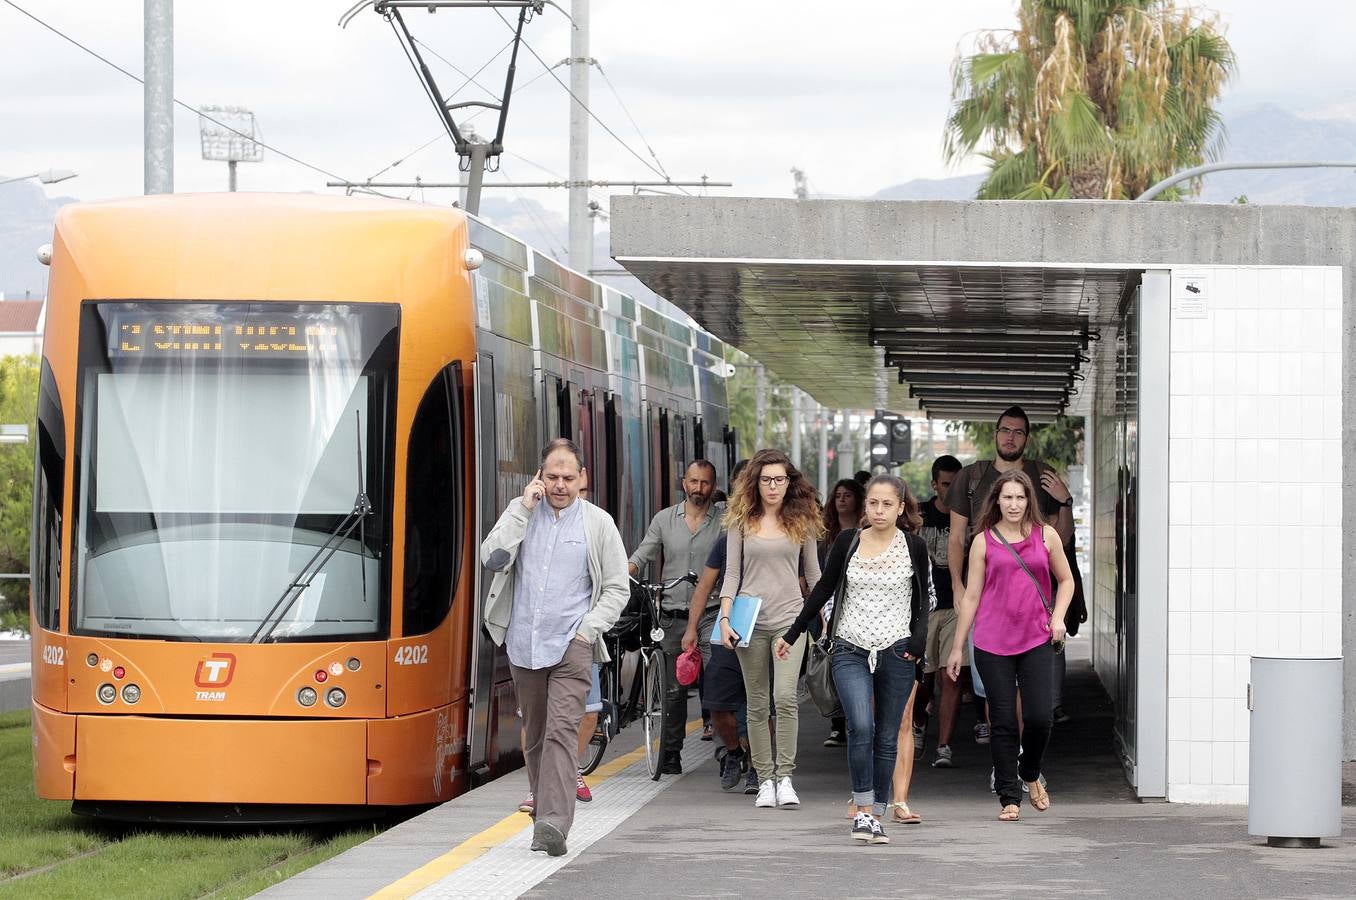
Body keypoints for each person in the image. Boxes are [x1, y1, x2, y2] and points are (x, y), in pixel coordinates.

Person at [481, 438, 630, 857]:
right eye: (552, 477)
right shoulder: (522, 514)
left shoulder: (598, 524)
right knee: (535, 736)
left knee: (563, 734)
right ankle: (542, 812)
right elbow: (490, 558)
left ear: (583, 479)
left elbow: (617, 588)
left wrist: (588, 630)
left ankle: (553, 823)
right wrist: (521, 509)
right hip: (523, 644)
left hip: (572, 645)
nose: (560, 485)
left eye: (568, 477)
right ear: (539, 478)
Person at [778, 474, 930, 845]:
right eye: (873, 503)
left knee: (887, 734)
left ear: (900, 507)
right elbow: (824, 589)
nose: (879, 510)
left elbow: (924, 601)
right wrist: (793, 632)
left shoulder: (914, 546)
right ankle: (862, 810)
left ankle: (877, 811)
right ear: (866, 506)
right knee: (860, 725)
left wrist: (918, 645)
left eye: (887, 504)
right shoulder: (847, 542)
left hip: (897, 650)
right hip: (850, 647)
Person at [946, 470, 1074, 822]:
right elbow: (972, 596)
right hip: (991, 641)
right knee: (1001, 720)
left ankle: (1029, 771)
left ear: (1028, 500)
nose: (1014, 504)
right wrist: (958, 647)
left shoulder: (1045, 535)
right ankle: (1009, 796)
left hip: (1036, 637)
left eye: (1020, 498)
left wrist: (1059, 618)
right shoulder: (983, 541)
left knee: (1039, 717)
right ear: (997, 501)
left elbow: (1066, 581)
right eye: (1007, 498)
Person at [718, 448, 822, 809]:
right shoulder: (741, 519)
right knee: (757, 702)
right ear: (755, 482)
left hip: (792, 621)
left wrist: (819, 614)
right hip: (749, 620)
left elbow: (814, 574)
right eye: (766, 480)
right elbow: (732, 573)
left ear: (789, 482)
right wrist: (725, 619)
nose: (773, 486)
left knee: (785, 698)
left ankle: (786, 777)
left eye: (779, 479)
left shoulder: (804, 520)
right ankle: (765, 779)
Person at [629, 460, 725, 774]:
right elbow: (644, 554)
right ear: (684, 483)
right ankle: (670, 753)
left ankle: (728, 753)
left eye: (706, 483)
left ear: (714, 485)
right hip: (671, 615)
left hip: (712, 613)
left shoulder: (725, 520)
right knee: (673, 691)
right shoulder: (663, 520)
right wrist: (623, 575)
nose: (699, 489)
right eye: (694, 482)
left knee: (720, 683)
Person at [682, 460, 760, 794]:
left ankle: (760, 767)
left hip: (769, 623)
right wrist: (691, 628)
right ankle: (733, 752)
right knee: (717, 701)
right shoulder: (728, 539)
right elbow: (704, 586)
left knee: (764, 704)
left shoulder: (786, 536)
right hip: (731, 619)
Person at [910, 455, 964, 768]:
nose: (952, 490)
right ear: (934, 485)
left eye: (957, 484)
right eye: (947, 484)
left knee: (952, 678)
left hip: (957, 606)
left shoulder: (967, 516)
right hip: (923, 609)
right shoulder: (919, 516)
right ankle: (919, 722)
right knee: (923, 681)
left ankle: (944, 745)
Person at [818, 479, 865, 747]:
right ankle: (837, 723)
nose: (842, 500)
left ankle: (854, 721)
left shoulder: (866, 532)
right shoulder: (827, 536)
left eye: (848, 495)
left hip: (858, 610)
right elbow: (822, 579)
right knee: (832, 666)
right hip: (830, 607)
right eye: (838, 496)